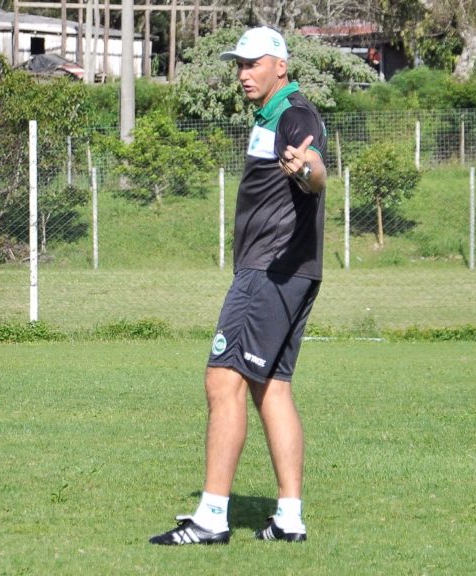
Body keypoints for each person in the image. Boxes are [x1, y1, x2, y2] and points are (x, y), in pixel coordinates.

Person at [149, 26, 327, 545]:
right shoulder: (270, 115)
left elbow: (316, 169)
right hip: (290, 271)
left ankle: (210, 518)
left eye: (253, 64)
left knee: (220, 380)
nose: (243, 74)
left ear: (281, 67)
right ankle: (288, 519)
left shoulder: (294, 113)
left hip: (270, 271)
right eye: (239, 65)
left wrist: (307, 170)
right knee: (271, 387)